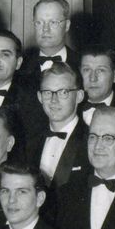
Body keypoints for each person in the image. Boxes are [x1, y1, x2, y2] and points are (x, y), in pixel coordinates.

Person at [33, 63, 91, 191]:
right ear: (39, 97)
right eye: (47, 92)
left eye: (63, 92)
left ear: (79, 96)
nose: (54, 100)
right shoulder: (31, 141)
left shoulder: (90, 140)